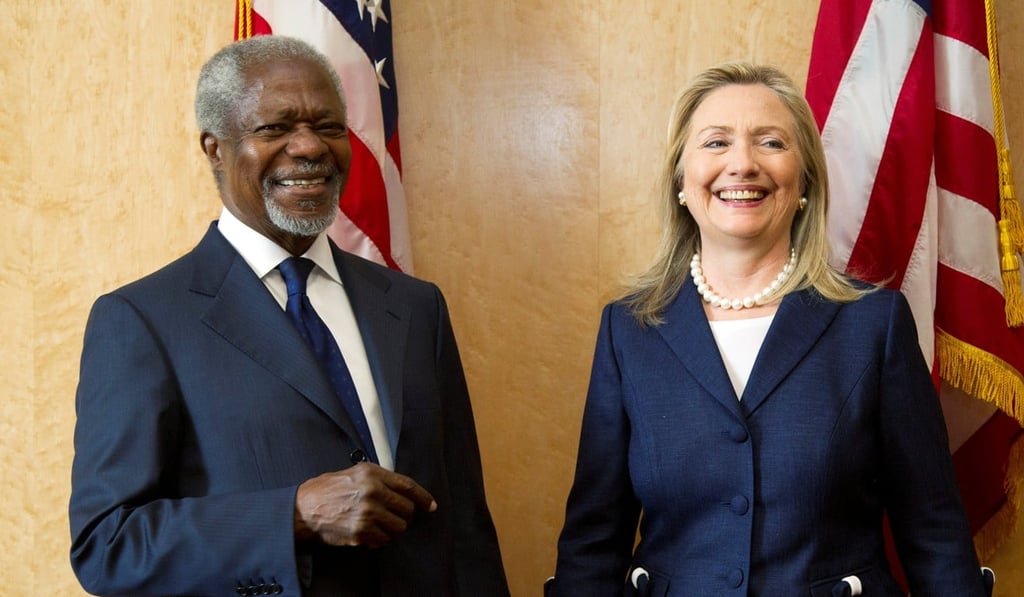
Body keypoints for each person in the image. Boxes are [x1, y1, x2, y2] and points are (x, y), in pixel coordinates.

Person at [69, 36, 509, 597]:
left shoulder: (417, 306)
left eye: (328, 127)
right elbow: (108, 545)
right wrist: (292, 514)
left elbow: (464, 523)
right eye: (275, 129)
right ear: (215, 149)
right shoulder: (143, 321)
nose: (309, 148)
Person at [546, 62, 990, 596]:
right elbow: (593, 545)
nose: (743, 164)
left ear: (803, 180)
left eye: (770, 142)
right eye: (715, 143)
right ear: (680, 181)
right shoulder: (629, 330)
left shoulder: (875, 325)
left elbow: (933, 532)